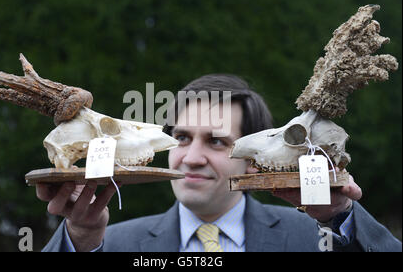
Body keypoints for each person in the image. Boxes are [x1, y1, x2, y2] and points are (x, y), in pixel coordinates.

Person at [38, 74, 401, 252]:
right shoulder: (111, 244)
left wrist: (339, 214)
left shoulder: (314, 239)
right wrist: (81, 237)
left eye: (215, 141)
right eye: (181, 138)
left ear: (252, 159)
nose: (192, 158)